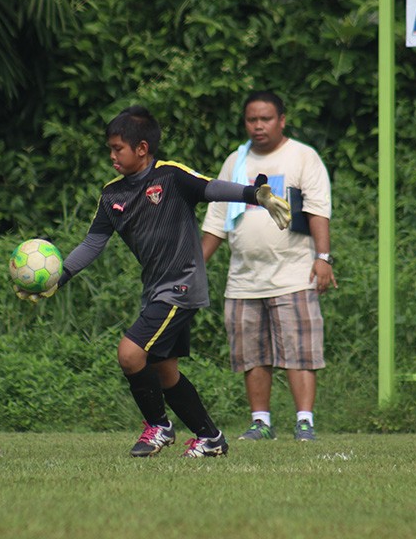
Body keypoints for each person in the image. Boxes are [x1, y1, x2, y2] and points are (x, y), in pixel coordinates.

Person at [17, 105, 291, 458]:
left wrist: (253, 195)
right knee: (166, 373)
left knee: (130, 354)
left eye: (118, 149)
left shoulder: (170, 176)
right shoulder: (112, 195)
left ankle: (158, 426)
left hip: (181, 286)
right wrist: (61, 276)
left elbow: (210, 188)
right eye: (111, 149)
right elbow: (92, 243)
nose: (112, 155)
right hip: (155, 291)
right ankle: (211, 438)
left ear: (142, 149)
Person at [201, 90, 335, 442]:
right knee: (251, 355)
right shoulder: (236, 162)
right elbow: (216, 220)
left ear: (282, 120)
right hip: (243, 278)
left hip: (293, 274)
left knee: (300, 352)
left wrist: (323, 258)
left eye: (266, 119)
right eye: (251, 120)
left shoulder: (302, 157)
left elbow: (318, 209)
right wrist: (193, 268)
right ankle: (260, 422)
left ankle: (304, 420)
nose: (258, 126)